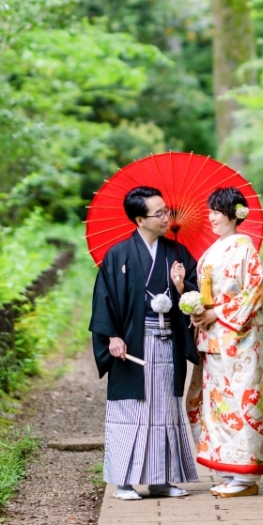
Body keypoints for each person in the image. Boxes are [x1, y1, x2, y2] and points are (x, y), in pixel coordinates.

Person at [90, 184, 200, 501]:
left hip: (167, 342)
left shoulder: (177, 253)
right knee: (132, 411)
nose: (166, 217)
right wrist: (112, 336)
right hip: (132, 345)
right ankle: (123, 482)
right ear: (140, 219)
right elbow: (104, 298)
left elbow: (195, 299)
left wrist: (181, 285)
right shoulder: (119, 255)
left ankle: (161, 480)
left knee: (164, 409)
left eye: (167, 211)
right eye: (159, 213)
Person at [185, 186, 263, 498]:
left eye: (217, 213)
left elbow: (256, 292)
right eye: (210, 212)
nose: (211, 218)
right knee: (217, 405)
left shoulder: (246, 250)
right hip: (214, 341)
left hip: (239, 342)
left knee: (241, 402)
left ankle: (246, 477)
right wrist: (198, 311)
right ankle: (228, 470)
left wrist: (217, 312)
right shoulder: (215, 249)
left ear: (235, 215)